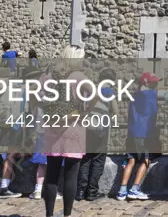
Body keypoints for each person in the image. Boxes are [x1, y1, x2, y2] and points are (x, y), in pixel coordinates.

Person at [42, 45, 87, 217]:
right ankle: (67, 214)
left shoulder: (49, 76)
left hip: (53, 128)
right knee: (70, 176)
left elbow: (37, 95)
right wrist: (84, 111)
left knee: (51, 175)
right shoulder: (79, 77)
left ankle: (49, 215)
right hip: (73, 127)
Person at [117, 71, 160, 201]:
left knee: (131, 160)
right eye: (154, 82)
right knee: (145, 161)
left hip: (132, 133)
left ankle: (122, 190)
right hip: (144, 134)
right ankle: (134, 189)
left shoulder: (134, 95)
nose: (156, 84)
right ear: (147, 82)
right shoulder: (151, 94)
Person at [77, 69, 117, 201]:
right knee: (98, 160)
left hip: (87, 128)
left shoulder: (91, 88)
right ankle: (91, 192)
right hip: (101, 130)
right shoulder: (109, 92)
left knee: (86, 158)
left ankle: (80, 191)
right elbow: (115, 111)